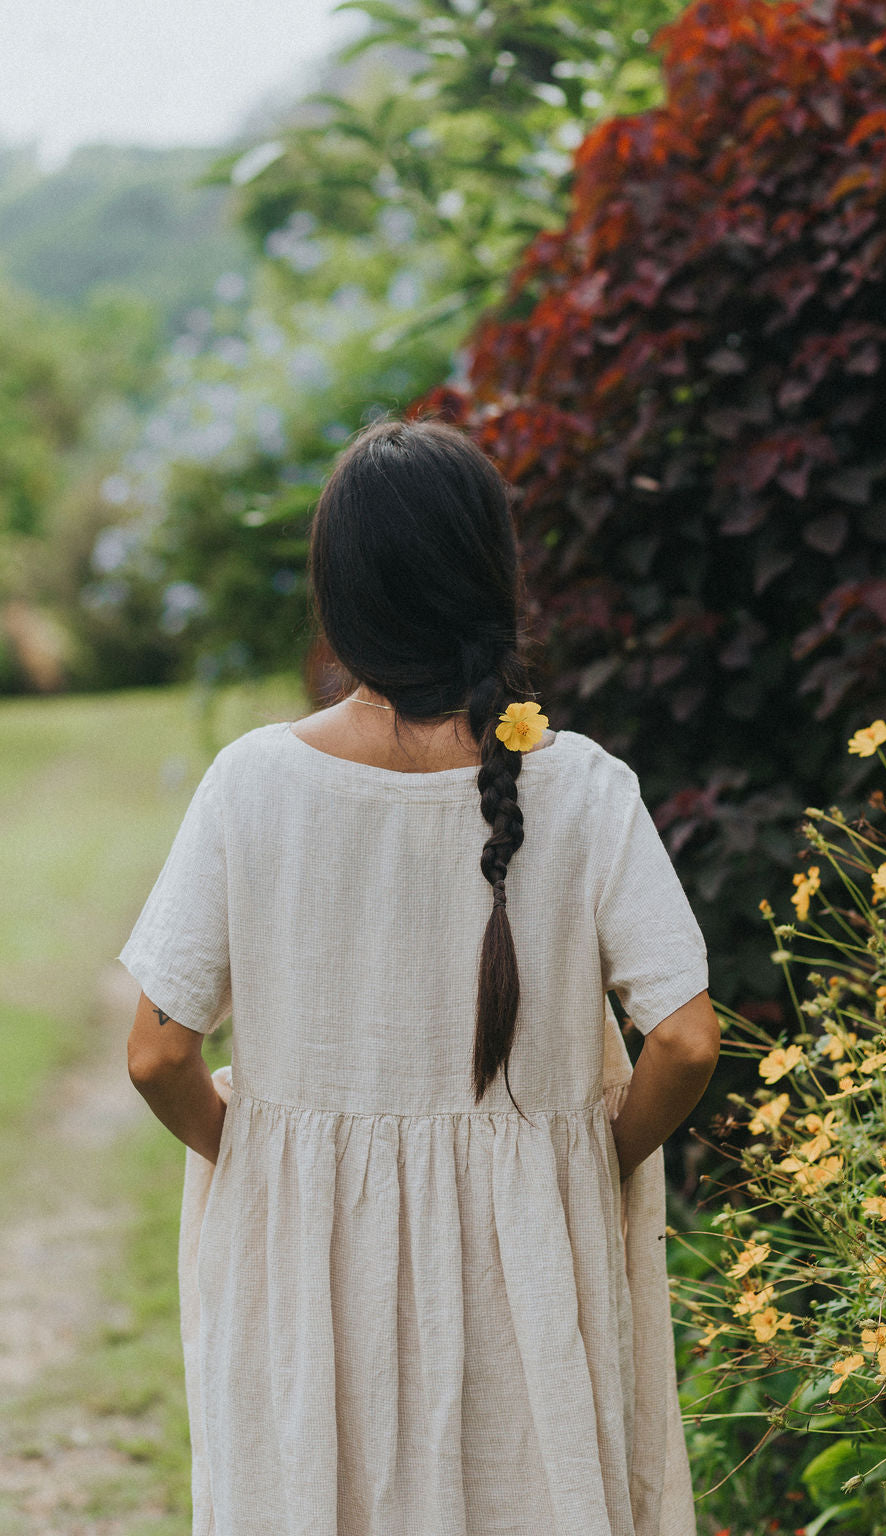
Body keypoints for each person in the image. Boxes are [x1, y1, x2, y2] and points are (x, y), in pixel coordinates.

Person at [120, 415, 720, 1536]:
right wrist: (594, 1153)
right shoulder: (584, 786)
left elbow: (158, 1052)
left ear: (339, 593)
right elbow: (684, 1039)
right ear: (492, 576)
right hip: (528, 1261)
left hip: (307, 1273)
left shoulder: (251, 784)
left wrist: (256, 1154)